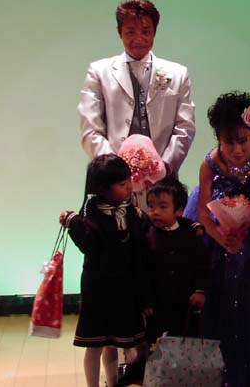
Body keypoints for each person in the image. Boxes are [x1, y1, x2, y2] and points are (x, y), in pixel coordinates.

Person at [184, 91, 250, 387]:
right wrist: (223, 239)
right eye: (228, 142)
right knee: (232, 291)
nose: (237, 149)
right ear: (218, 138)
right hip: (230, 236)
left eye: (243, 140)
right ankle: (236, 369)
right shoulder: (210, 164)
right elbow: (203, 214)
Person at [59, 154, 151, 387]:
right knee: (94, 345)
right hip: (98, 288)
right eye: (122, 184)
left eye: (128, 180)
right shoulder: (90, 211)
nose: (129, 186)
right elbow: (90, 245)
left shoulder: (131, 211)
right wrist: (73, 223)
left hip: (124, 287)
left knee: (114, 343)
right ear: (102, 188)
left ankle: (112, 383)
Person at [78, 0, 196, 177]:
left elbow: (185, 128)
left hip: (163, 180)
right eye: (130, 32)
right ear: (119, 32)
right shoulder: (99, 72)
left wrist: (163, 166)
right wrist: (114, 169)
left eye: (146, 31)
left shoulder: (178, 73)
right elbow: (91, 129)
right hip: (112, 179)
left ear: (155, 32)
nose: (138, 39)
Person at [145, 177, 209, 342]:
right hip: (158, 304)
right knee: (156, 345)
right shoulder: (147, 235)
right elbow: (142, 270)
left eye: (163, 207)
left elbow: (201, 264)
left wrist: (199, 290)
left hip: (186, 303)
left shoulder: (190, 234)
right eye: (151, 206)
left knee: (186, 342)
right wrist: (145, 301)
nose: (155, 212)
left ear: (179, 210)